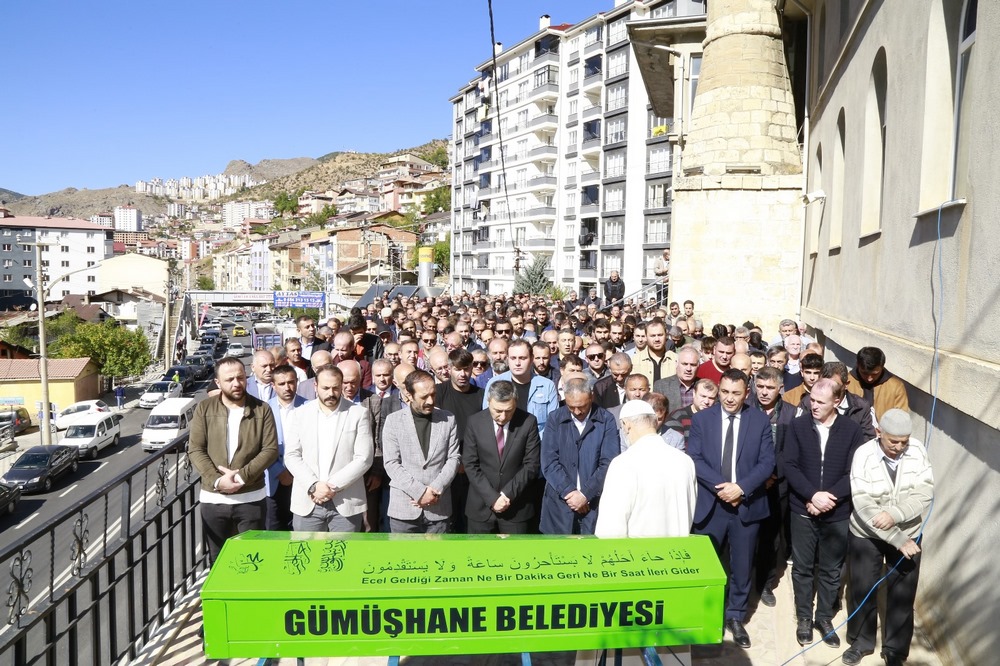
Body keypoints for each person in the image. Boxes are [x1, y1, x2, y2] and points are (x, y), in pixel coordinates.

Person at [687, 369, 775, 649]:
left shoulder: (759, 420)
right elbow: (695, 458)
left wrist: (741, 488)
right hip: (711, 505)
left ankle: (735, 617)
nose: (728, 398)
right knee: (708, 565)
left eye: (735, 393)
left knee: (741, 565)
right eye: (724, 392)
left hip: (746, 505)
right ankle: (707, 616)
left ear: (746, 393)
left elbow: (767, 463)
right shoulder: (702, 419)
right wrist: (724, 487)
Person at [843, 409, 934, 666]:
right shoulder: (863, 454)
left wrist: (895, 514)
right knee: (862, 589)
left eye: (904, 441)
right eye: (893, 440)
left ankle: (895, 650)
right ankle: (861, 642)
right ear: (878, 432)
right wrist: (894, 536)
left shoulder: (917, 451)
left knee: (903, 593)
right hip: (866, 533)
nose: (899, 446)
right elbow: (863, 504)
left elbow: (925, 492)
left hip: (908, 532)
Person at [783, 378, 864, 649]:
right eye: (811, 400)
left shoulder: (851, 430)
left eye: (820, 402)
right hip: (803, 510)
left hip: (836, 513)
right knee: (803, 568)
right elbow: (790, 465)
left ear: (837, 402)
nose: (813, 405)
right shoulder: (797, 426)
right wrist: (811, 495)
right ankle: (804, 617)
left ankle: (824, 618)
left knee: (831, 570)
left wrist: (828, 498)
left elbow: (853, 472)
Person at [188, 357, 278, 562]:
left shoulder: (262, 409)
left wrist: (240, 478)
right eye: (229, 379)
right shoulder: (205, 409)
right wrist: (218, 481)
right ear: (218, 383)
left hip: (251, 498)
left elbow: (270, 450)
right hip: (214, 499)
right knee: (218, 559)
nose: (237, 383)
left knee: (251, 559)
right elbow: (196, 449)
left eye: (240, 377)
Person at [283, 365, 373, 532]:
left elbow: (364, 458)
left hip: (346, 501)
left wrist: (331, 487)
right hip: (307, 501)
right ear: (315, 386)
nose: (331, 393)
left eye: (335, 388)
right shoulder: (300, 414)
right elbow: (292, 455)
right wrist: (314, 485)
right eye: (325, 388)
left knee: (344, 556)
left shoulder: (359, 413)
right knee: (306, 555)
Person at [595, 400, 696, 537]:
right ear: (654, 422)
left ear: (626, 425)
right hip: (679, 554)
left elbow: (611, 529)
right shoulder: (685, 461)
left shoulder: (623, 463)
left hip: (638, 555)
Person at [381, 370, 460, 533]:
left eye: (433, 394)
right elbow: (391, 463)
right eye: (424, 397)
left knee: (438, 558)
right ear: (409, 395)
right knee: (403, 559)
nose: (430, 400)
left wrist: (435, 489)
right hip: (404, 509)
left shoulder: (448, 419)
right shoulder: (393, 421)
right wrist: (420, 492)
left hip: (439, 509)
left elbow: (453, 459)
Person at [539, 377, 620, 535]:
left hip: (593, 506)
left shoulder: (606, 420)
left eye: (582, 406)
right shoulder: (555, 418)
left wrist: (585, 494)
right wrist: (570, 493)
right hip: (559, 506)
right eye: (571, 407)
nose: (577, 412)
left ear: (591, 397)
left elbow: (608, 462)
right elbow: (549, 461)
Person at [462, 381, 542, 534]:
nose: (503, 416)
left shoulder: (528, 422)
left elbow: (531, 465)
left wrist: (507, 494)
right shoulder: (475, 422)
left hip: (516, 508)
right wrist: (492, 498)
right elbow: (470, 464)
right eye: (497, 410)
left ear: (516, 403)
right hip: (481, 508)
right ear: (488, 401)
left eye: (509, 410)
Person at [482, 339, 558, 437]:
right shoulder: (494, 383)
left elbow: (553, 423)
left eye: (522, 358)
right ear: (508, 359)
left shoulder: (547, 385)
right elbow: (486, 419)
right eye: (513, 358)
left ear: (531, 359)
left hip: (537, 443)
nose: (517, 363)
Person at [264, 364, 307, 531]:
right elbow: (260, 446)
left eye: (291, 382)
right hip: (273, 480)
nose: (287, 387)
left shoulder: (310, 406)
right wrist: (278, 472)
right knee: (273, 531)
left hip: (302, 480)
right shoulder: (264, 409)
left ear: (297, 382)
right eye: (281, 384)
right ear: (273, 386)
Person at [848, 346, 909, 421]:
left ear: (882, 367)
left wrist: (884, 432)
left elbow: (901, 421)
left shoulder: (896, 387)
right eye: (865, 373)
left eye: (875, 374)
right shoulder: (846, 383)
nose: (869, 379)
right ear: (858, 365)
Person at [653, 345, 700, 411]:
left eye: (693, 365)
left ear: (698, 366)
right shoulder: (661, 386)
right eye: (684, 364)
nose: (688, 369)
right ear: (676, 364)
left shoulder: (704, 386)